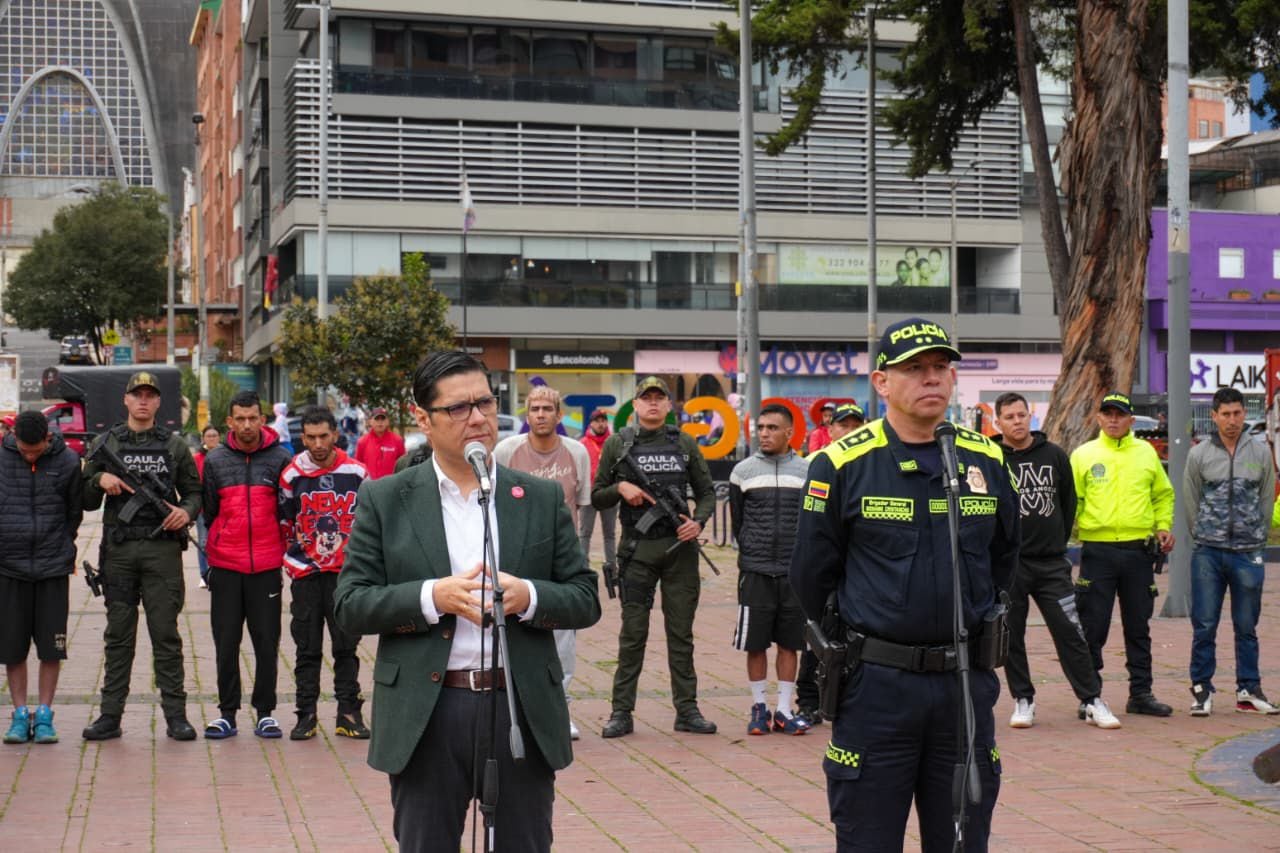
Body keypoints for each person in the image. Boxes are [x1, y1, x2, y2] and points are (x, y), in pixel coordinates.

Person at [333, 351, 600, 852]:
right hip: (427, 711)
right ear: (423, 418)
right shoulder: (386, 499)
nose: (477, 418)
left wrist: (530, 596)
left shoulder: (538, 498)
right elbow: (351, 604)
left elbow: (585, 597)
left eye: (484, 402)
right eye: (458, 408)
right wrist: (434, 596)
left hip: (518, 708)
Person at [790, 317, 1018, 850]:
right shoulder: (841, 464)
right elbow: (810, 577)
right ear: (881, 382)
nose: (931, 378)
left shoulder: (985, 458)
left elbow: (1004, 560)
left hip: (964, 684)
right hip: (877, 689)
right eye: (914, 369)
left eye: (940, 367)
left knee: (964, 841)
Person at [593, 375, 718, 739]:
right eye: (645, 398)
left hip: (680, 552)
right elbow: (598, 495)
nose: (652, 404)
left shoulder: (685, 443)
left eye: (658, 398)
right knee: (632, 635)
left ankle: (687, 709)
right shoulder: (618, 444)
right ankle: (621, 712)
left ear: (667, 405)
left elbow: (708, 493)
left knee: (681, 634)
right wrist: (620, 487)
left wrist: (697, 522)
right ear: (635, 405)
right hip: (636, 552)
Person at [82, 371, 202, 742]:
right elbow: (85, 497)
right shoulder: (107, 443)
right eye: (138, 395)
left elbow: (196, 492)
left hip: (162, 552)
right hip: (119, 552)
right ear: (126, 400)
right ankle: (110, 715)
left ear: (158, 402)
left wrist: (187, 512)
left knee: (166, 634)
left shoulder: (176, 447)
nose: (144, 401)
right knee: (118, 635)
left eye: (150, 395)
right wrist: (97, 478)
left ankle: (176, 716)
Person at [993, 392, 1120, 730]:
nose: (1018, 421)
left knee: (1070, 632)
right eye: (1010, 417)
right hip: (1011, 567)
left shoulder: (1054, 455)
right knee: (1011, 635)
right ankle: (1023, 699)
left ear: (1030, 416)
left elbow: (1068, 504)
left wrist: (1055, 542)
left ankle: (1091, 699)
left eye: (1022, 415)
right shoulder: (992, 460)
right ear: (998, 422)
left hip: (1051, 564)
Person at [493, 385, 593, 741]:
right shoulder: (506, 451)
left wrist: (584, 556)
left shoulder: (577, 453)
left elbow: (583, 506)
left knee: (563, 640)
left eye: (547, 408)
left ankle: (559, 710)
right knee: (512, 634)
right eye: (534, 408)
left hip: (561, 558)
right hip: (515, 556)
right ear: (526, 414)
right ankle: (512, 709)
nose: (540, 414)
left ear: (558, 414)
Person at [1071, 391, 1176, 718]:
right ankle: (1091, 696)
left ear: (1131, 420)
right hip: (1097, 553)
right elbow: (1072, 500)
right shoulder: (1083, 455)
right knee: (1093, 625)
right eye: (1108, 414)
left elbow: (1163, 495)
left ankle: (1141, 694)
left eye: (1120, 414)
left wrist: (1162, 526)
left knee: (1138, 625)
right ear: (1098, 417)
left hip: (1138, 553)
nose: (1114, 420)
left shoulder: (1146, 453)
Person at [201, 390, 294, 739]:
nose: (246, 425)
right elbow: (210, 512)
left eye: (253, 417)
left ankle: (266, 712)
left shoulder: (281, 459)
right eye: (240, 418)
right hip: (226, 566)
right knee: (226, 642)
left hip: (267, 566)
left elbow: (288, 510)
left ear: (263, 418)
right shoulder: (215, 461)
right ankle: (227, 713)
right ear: (230, 421)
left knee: (266, 642)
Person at [1184, 387, 1278, 715]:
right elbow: (1190, 501)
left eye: (1238, 413)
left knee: (1246, 625)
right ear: (1214, 416)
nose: (1233, 420)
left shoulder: (1260, 452)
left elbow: (1267, 498)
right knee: (1205, 623)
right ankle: (1201, 689)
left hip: (1248, 552)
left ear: (1243, 414)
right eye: (1226, 414)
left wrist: (1256, 535)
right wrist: (1204, 534)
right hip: (1208, 553)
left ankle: (1248, 688)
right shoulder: (1199, 454)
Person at [279, 406, 372, 740]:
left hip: (346, 577)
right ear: (302, 437)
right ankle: (306, 714)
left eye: (323, 436)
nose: (317, 444)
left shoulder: (358, 473)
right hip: (306, 575)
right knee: (307, 648)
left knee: (347, 646)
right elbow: (285, 523)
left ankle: (349, 713)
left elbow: (369, 524)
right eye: (310, 437)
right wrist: (296, 562)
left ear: (335, 434)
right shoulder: (292, 475)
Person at [1, 411, 83, 744]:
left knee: (52, 648)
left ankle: (45, 713)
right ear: (14, 438)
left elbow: (74, 513)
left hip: (52, 566)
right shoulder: (2, 459)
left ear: (48, 438)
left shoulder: (67, 461)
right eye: (24, 449)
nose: (29, 455)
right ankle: (20, 713)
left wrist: (62, 545)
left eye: (35, 450)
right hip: (8, 566)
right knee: (12, 647)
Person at [729, 403, 811, 735]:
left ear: (789, 432)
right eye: (760, 428)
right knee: (755, 643)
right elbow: (738, 523)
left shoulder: (807, 470)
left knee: (791, 643)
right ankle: (759, 707)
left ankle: (784, 709)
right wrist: (751, 551)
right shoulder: (743, 471)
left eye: (772, 428)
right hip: (756, 571)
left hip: (794, 574)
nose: (764, 433)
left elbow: (812, 521)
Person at [795, 401, 865, 724]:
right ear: (830, 429)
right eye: (843, 425)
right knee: (816, 634)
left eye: (856, 425)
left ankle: (847, 696)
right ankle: (809, 700)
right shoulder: (814, 463)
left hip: (858, 566)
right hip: (823, 561)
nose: (850, 431)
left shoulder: (871, 463)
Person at [578, 408, 618, 579]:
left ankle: (612, 568)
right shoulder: (583, 443)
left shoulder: (614, 442)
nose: (601, 424)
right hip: (589, 494)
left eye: (604, 420)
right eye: (597, 420)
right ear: (591, 423)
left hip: (609, 493)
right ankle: (582, 569)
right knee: (585, 533)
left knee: (609, 534)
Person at [194, 424, 221, 589]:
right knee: (204, 542)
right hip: (203, 507)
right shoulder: (197, 458)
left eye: (215, 435)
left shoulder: (225, 456)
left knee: (220, 541)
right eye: (209, 435)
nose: (212, 438)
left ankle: (219, 573)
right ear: (203, 438)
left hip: (221, 506)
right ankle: (205, 574)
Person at [355, 407, 405, 479]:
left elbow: (403, 465)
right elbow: (358, 467)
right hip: (370, 487)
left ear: (388, 421)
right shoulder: (362, 442)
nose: (380, 422)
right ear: (370, 421)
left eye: (383, 419)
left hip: (391, 486)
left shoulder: (397, 441)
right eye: (377, 419)